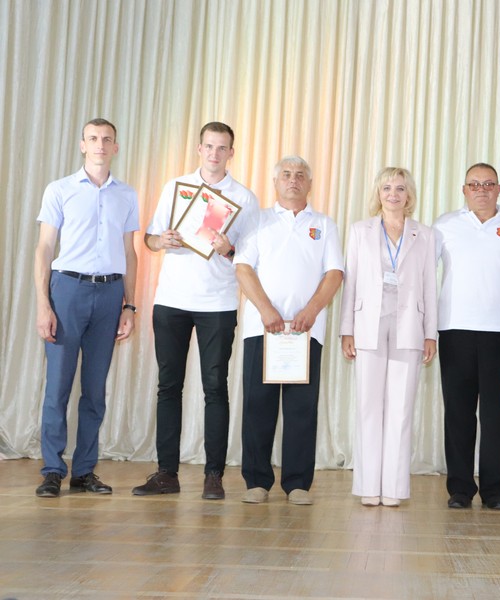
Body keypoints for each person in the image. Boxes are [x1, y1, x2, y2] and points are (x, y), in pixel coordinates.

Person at [133, 121, 259, 500]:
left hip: (217, 303)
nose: (214, 154)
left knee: (215, 388)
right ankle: (166, 473)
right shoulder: (176, 187)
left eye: (222, 148)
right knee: (168, 387)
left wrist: (228, 249)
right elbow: (150, 238)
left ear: (231, 153)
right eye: (209, 146)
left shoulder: (244, 198)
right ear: (199, 149)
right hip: (171, 300)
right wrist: (162, 240)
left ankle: (213, 476)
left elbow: (251, 256)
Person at [33, 118, 139, 497]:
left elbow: (129, 252)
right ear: (82, 145)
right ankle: (52, 470)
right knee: (58, 386)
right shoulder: (59, 189)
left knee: (95, 389)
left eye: (107, 139)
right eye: (93, 138)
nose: (99, 145)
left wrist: (130, 306)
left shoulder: (127, 195)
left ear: (115, 147)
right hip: (67, 291)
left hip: (110, 294)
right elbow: (45, 248)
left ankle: (84, 471)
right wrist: (44, 304)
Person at [234, 156, 343, 505]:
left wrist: (311, 311)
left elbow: (334, 273)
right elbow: (243, 268)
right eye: (286, 175)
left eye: (299, 175)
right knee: (258, 406)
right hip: (262, 329)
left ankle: (298, 483)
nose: (293, 180)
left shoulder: (324, 224)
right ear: (275, 182)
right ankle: (257, 481)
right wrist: (266, 310)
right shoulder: (257, 220)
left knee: (302, 409)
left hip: (305, 331)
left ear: (309, 184)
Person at [432, 163, 500, 511]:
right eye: (474, 184)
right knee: (458, 413)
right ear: (464, 190)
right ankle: (460, 488)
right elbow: (424, 276)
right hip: (454, 331)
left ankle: (494, 491)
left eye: (488, 184)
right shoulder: (444, 225)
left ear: (498, 189)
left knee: (496, 415)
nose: (481, 190)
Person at [340, 167, 438, 507]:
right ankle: (369, 486)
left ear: (409, 195)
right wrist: (346, 329)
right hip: (367, 325)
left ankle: (394, 488)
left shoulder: (425, 235)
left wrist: (430, 334)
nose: (393, 194)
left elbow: (429, 286)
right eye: (386, 188)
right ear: (378, 193)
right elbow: (350, 282)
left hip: (409, 325)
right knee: (368, 407)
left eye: (399, 188)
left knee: (401, 409)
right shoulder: (360, 231)